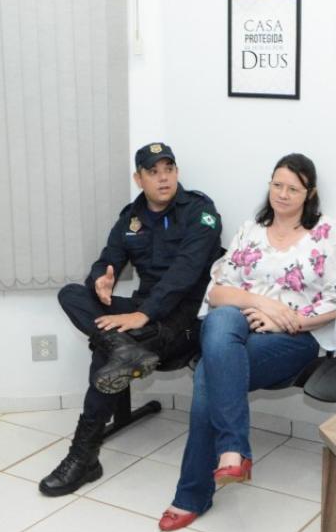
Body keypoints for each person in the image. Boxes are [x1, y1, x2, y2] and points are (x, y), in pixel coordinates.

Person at [160, 154, 336, 530]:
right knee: (221, 319)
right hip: (237, 327)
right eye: (277, 185)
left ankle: (196, 490)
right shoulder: (251, 230)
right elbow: (218, 292)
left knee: (208, 373)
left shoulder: (328, 233)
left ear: (309, 193)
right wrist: (264, 304)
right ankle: (232, 452)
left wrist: (287, 319)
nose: (282, 194)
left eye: (293, 188)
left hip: (294, 337)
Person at [40, 142, 224, 496]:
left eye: (168, 170)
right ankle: (120, 346)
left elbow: (184, 275)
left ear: (177, 173)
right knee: (72, 294)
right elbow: (107, 258)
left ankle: (83, 456)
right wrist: (101, 279)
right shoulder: (130, 218)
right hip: (142, 313)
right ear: (139, 179)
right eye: (153, 172)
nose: (163, 178)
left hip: (185, 319)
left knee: (109, 354)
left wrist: (142, 314)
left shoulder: (200, 211)